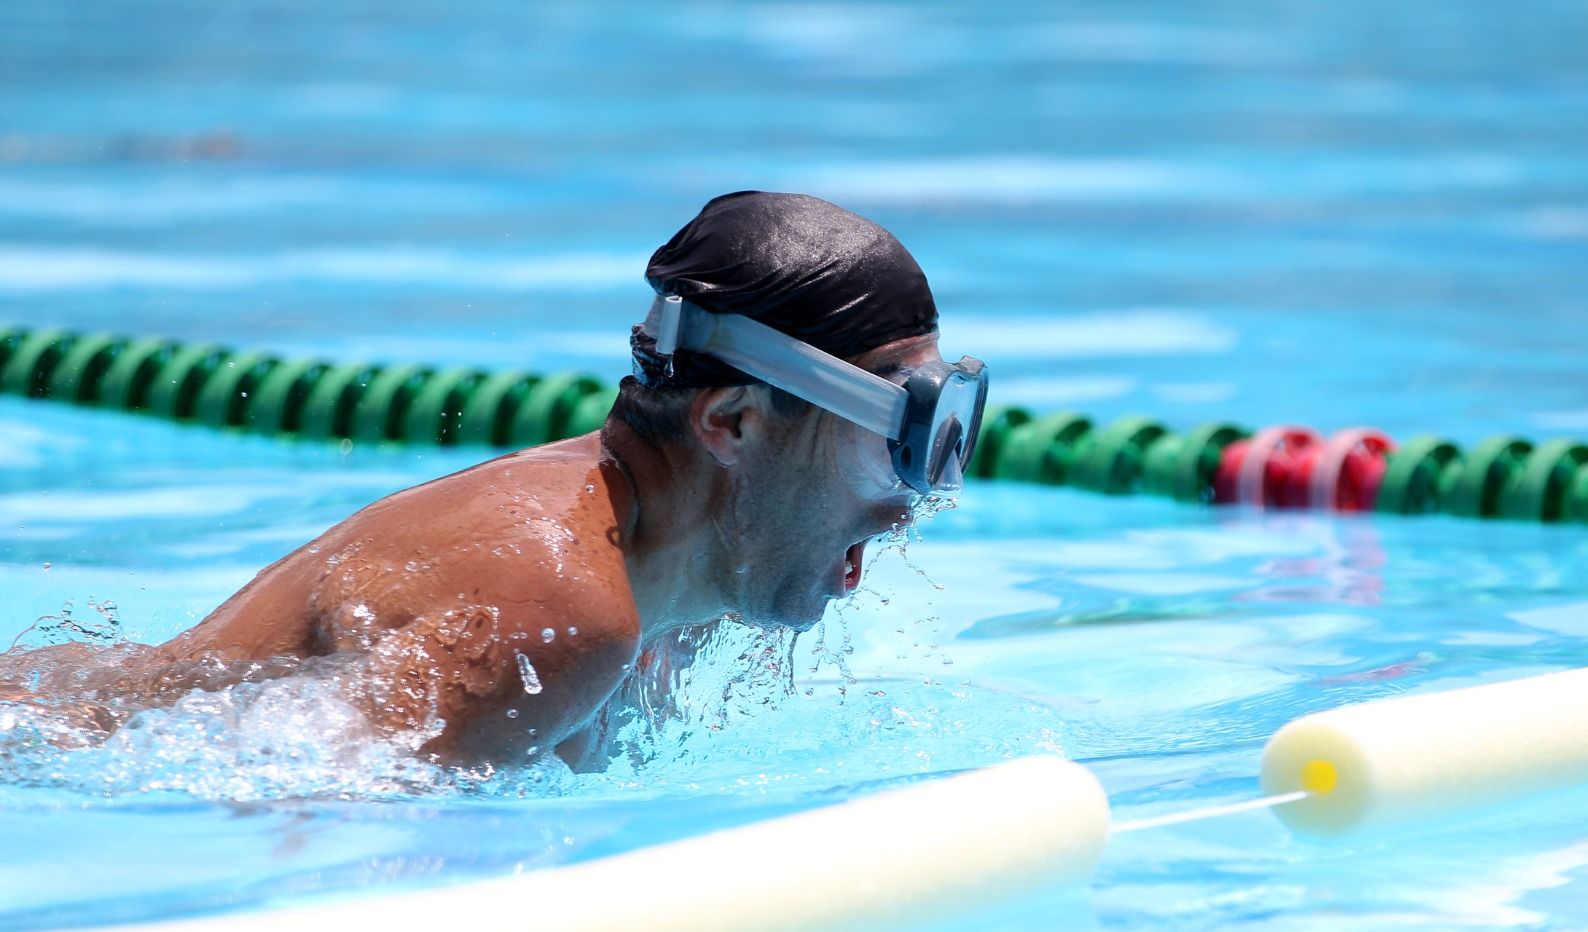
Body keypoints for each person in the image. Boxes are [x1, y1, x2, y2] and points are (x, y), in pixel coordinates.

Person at [0, 192, 987, 771]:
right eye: (896, 445)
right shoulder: (554, 607)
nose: (916, 499)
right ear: (731, 423)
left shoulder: (686, 590)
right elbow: (310, 856)